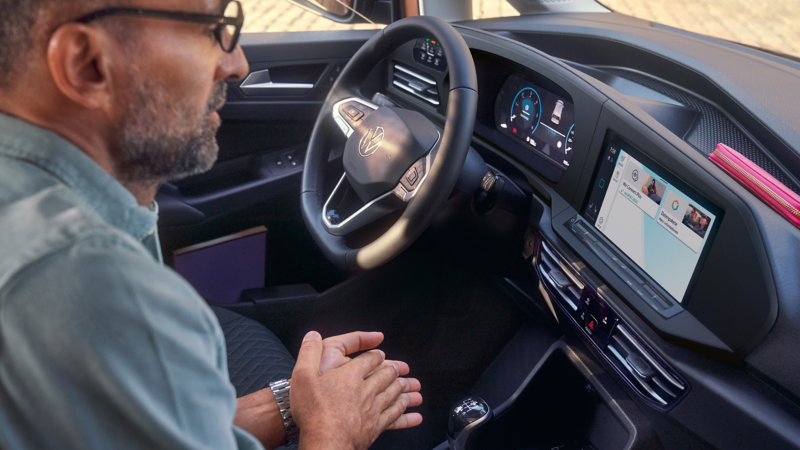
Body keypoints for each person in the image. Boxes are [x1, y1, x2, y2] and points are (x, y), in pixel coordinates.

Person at [0, 1, 422, 449]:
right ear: (86, 64)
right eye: (214, 29)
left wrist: (292, 403)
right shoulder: (93, 283)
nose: (237, 63)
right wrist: (336, 428)